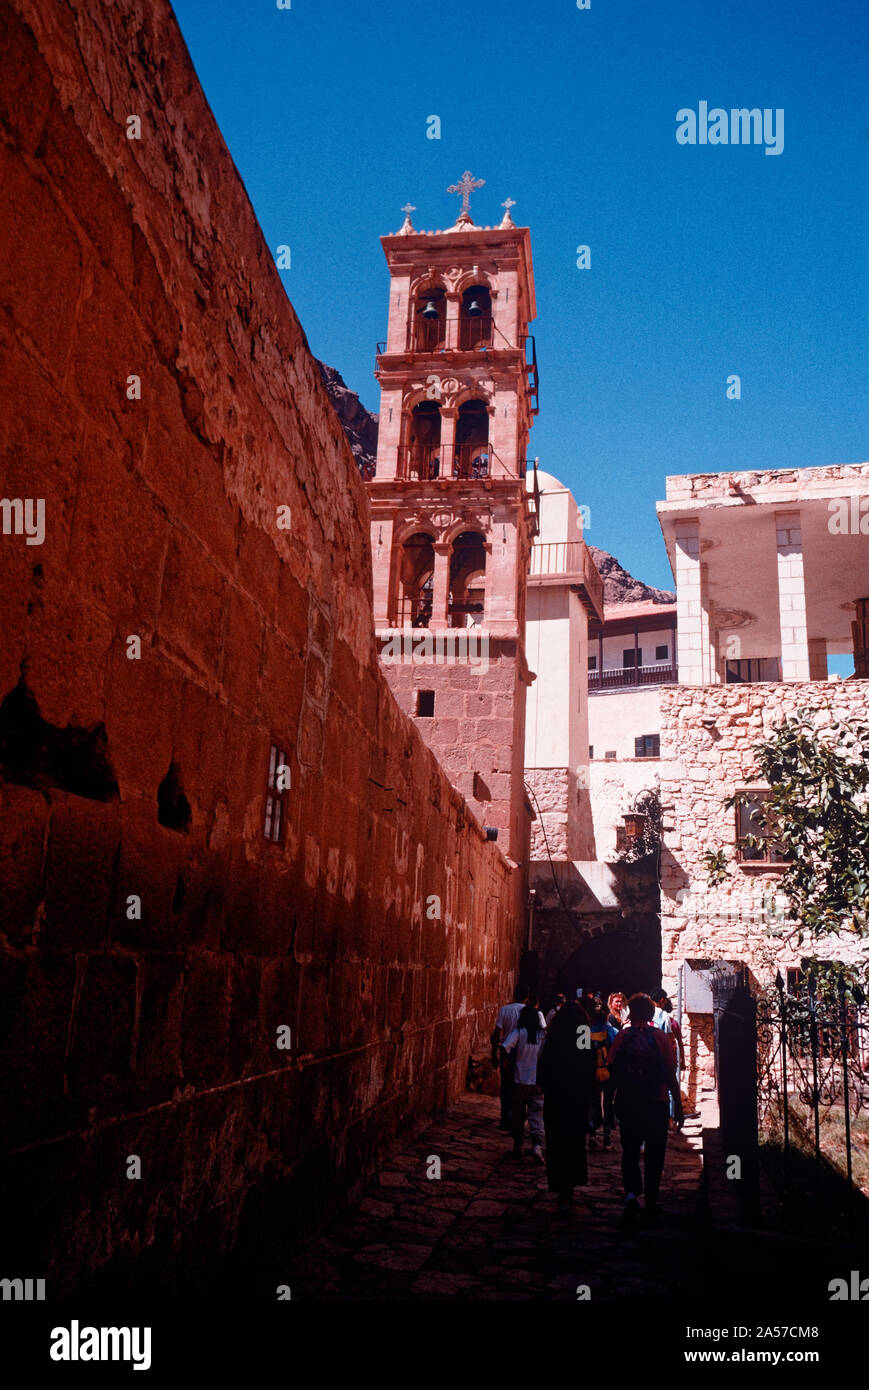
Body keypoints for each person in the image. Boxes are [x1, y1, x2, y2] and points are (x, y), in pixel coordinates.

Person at [608, 993, 684, 1230]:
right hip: (656, 1103)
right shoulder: (659, 1037)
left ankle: (631, 1196)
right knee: (654, 1155)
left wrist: (609, 1105)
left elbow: (612, 1073)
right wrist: (678, 1107)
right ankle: (651, 1201)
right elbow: (670, 1073)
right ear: (651, 1014)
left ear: (632, 1013)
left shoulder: (622, 1036)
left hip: (629, 1103)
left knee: (629, 1152)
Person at [537, 1000, 596, 1215]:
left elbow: (544, 1065)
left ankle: (561, 1188)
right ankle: (569, 1189)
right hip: (576, 1098)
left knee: (556, 1143)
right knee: (573, 1142)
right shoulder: (581, 1031)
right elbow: (586, 1061)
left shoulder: (555, 1034)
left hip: (556, 1097)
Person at [501, 1002, 547, 1162]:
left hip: (520, 1079)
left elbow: (505, 1047)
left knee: (518, 1114)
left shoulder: (519, 1032)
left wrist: (509, 1067)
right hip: (538, 1079)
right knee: (537, 1114)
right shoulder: (543, 1035)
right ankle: (537, 1146)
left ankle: (518, 1145)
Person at [491, 986, 528, 1131]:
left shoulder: (505, 1010)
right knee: (518, 1087)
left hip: (506, 1052)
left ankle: (505, 1117)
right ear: (526, 998)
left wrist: (494, 1053)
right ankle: (516, 1118)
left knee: (506, 1086)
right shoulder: (528, 1012)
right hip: (521, 1053)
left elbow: (496, 1033)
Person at [588, 999, 618, 1148]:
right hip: (608, 1073)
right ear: (607, 1016)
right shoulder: (612, 1031)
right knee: (608, 1103)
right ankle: (606, 1138)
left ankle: (592, 1134)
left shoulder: (585, 1031)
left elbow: (582, 1053)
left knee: (593, 1103)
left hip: (592, 1073)